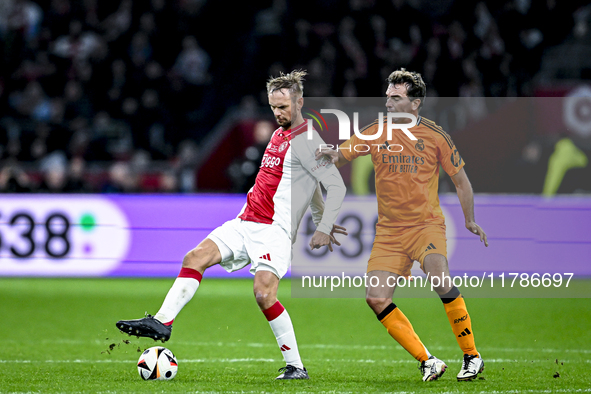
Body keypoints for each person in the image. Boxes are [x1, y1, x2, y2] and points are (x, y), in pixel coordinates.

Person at [117, 70, 347, 380]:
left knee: (264, 295)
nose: (278, 113)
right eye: (273, 107)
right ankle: (162, 321)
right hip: (244, 221)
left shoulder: (309, 141)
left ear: (300, 101)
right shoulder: (280, 134)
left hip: (274, 230)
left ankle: (296, 367)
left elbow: (333, 185)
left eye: (284, 107)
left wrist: (323, 225)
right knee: (194, 258)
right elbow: (310, 186)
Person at [316, 69, 488, 382]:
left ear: (415, 104)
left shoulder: (436, 137)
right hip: (389, 233)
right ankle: (428, 361)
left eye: (396, 98)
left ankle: (472, 356)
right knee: (376, 298)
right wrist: (327, 153)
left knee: (439, 277)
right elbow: (341, 155)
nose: (389, 103)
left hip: (426, 226)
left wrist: (470, 219)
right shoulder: (375, 131)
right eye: (387, 97)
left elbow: (461, 182)